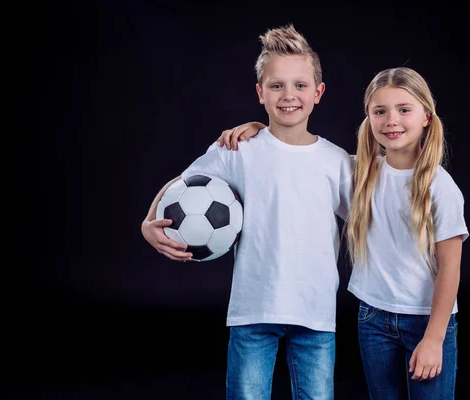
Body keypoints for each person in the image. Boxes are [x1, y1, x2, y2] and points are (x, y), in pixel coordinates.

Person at [217, 67, 469, 399]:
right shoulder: (359, 173)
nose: (391, 120)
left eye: (404, 109)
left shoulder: (440, 187)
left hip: (426, 320)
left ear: (425, 116)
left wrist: (434, 339)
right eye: (380, 111)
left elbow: (450, 267)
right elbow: (297, 155)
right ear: (369, 119)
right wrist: (261, 129)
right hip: (374, 318)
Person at [141, 24, 353, 400]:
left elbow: (370, 214)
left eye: (300, 85)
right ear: (260, 93)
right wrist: (148, 221)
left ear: (318, 93)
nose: (289, 95)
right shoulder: (239, 150)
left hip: (315, 313)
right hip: (253, 309)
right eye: (276, 86)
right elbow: (184, 183)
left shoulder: (337, 162)